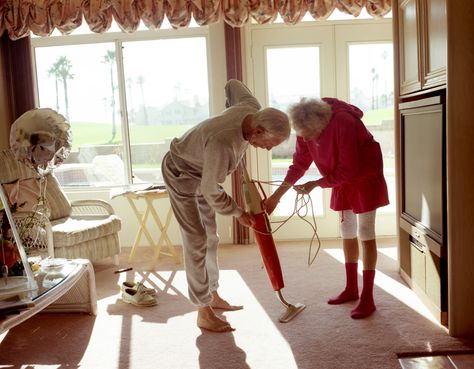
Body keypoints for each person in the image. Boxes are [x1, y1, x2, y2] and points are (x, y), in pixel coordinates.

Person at [161, 79, 290, 332]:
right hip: (181, 174)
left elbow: (231, 84)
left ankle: (213, 295)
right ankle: (202, 310)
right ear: (258, 132)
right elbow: (211, 190)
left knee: (211, 237)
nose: (266, 150)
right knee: (196, 239)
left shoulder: (251, 107)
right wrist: (238, 212)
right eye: (269, 145)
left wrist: (226, 112)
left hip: (204, 172)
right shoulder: (223, 143)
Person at [264, 97, 389, 319]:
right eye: (301, 134)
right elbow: (299, 165)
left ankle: (368, 297)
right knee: (347, 231)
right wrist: (276, 197)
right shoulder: (305, 130)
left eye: (308, 135)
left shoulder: (343, 122)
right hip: (339, 176)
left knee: (365, 232)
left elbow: (349, 170)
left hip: (364, 175)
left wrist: (316, 184)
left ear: (321, 125)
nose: (305, 139)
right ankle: (352, 288)